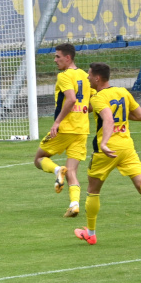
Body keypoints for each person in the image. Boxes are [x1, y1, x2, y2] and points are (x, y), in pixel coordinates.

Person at [74, 62, 141, 245]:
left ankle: (90, 234)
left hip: (107, 150)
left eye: (89, 75)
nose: (88, 78)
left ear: (97, 78)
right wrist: (120, 118)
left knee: (93, 191)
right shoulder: (123, 91)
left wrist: (105, 142)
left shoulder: (98, 97)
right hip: (127, 146)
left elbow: (108, 119)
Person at [33, 43, 92, 218]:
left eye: (58, 56)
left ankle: (57, 170)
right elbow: (89, 105)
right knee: (72, 170)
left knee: (38, 158)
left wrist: (57, 122)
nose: (55, 60)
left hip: (66, 128)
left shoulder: (64, 76)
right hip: (82, 129)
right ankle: (74, 205)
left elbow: (71, 99)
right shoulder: (85, 76)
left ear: (68, 58)